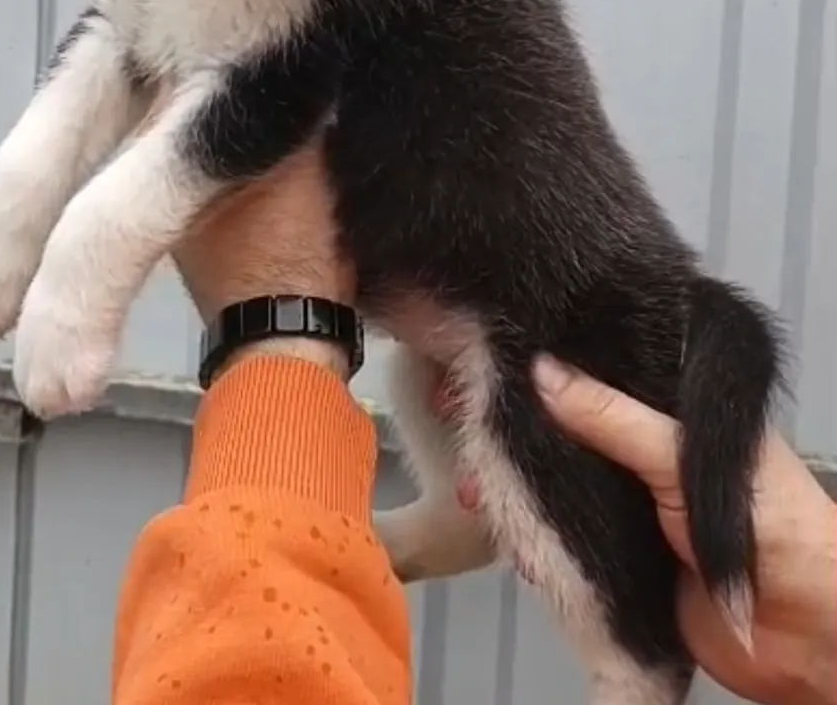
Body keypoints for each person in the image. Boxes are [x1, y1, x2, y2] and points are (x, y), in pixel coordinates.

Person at [111, 139, 837, 705]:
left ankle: (633, 661)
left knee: (509, 395)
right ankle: (450, 530)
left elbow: (253, 678)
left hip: (523, 278)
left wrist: (271, 331)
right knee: (453, 392)